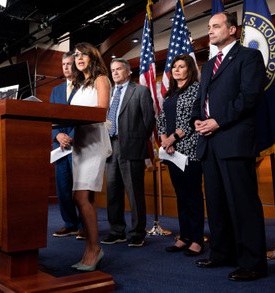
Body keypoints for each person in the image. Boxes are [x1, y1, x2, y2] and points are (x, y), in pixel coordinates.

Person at [190, 11, 267, 281]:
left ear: (233, 29)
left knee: (242, 203)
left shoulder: (248, 57)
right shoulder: (210, 65)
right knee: (217, 203)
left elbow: (249, 96)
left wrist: (217, 121)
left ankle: (253, 263)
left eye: (215, 26)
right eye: (209, 27)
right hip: (209, 143)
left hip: (234, 140)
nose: (209, 31)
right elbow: (202, 101)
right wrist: (199, 121)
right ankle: (222, 253)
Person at [100, 58, 154, 247]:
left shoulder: (140, 91)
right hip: (110, 147)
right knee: (113, 192)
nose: (114, 73)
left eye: (118, 69)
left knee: (134, 192)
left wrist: (136, 140)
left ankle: (138, 232)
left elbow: (149, 121)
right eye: (112, 70)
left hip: (131, 147)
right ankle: (117, 231)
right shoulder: (108, 93)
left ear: (128, 72)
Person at [69, 42, 112, 271]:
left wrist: (73, 117)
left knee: (80, 196)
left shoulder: (101, 80)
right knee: (84, 197)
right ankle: (89, 248)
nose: (79, 58)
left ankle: (95, 248)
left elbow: (101, 111)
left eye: (83, 54)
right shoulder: (80, 85)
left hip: (94, 142)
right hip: (80, 142)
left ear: (92, 56)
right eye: (76, 55)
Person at [157, 54, 204, 256]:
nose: (176, 70)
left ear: (189, 69)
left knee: (193, 195)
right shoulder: (170, 94)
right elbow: (161, 119)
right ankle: (184, 237)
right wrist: (164, 139)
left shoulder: (196, 90)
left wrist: (172, 139)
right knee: (181, 195)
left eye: (181, 66)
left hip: (189, 150)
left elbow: (193, 119)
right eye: (174, 66)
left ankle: (197, 239)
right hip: (171, 152)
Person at [50, 51, 84, 240]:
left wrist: (69, 136)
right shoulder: (56, 90)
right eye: (63, 64)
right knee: (63, 188)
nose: (66, 67)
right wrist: (58, 136)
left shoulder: (85, 87)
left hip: (79, 144)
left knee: (80, 189)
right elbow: (51, 118)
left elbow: (86, 117)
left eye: (69, 64)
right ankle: (70, 224)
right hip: (60, 147)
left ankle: (83, 226)